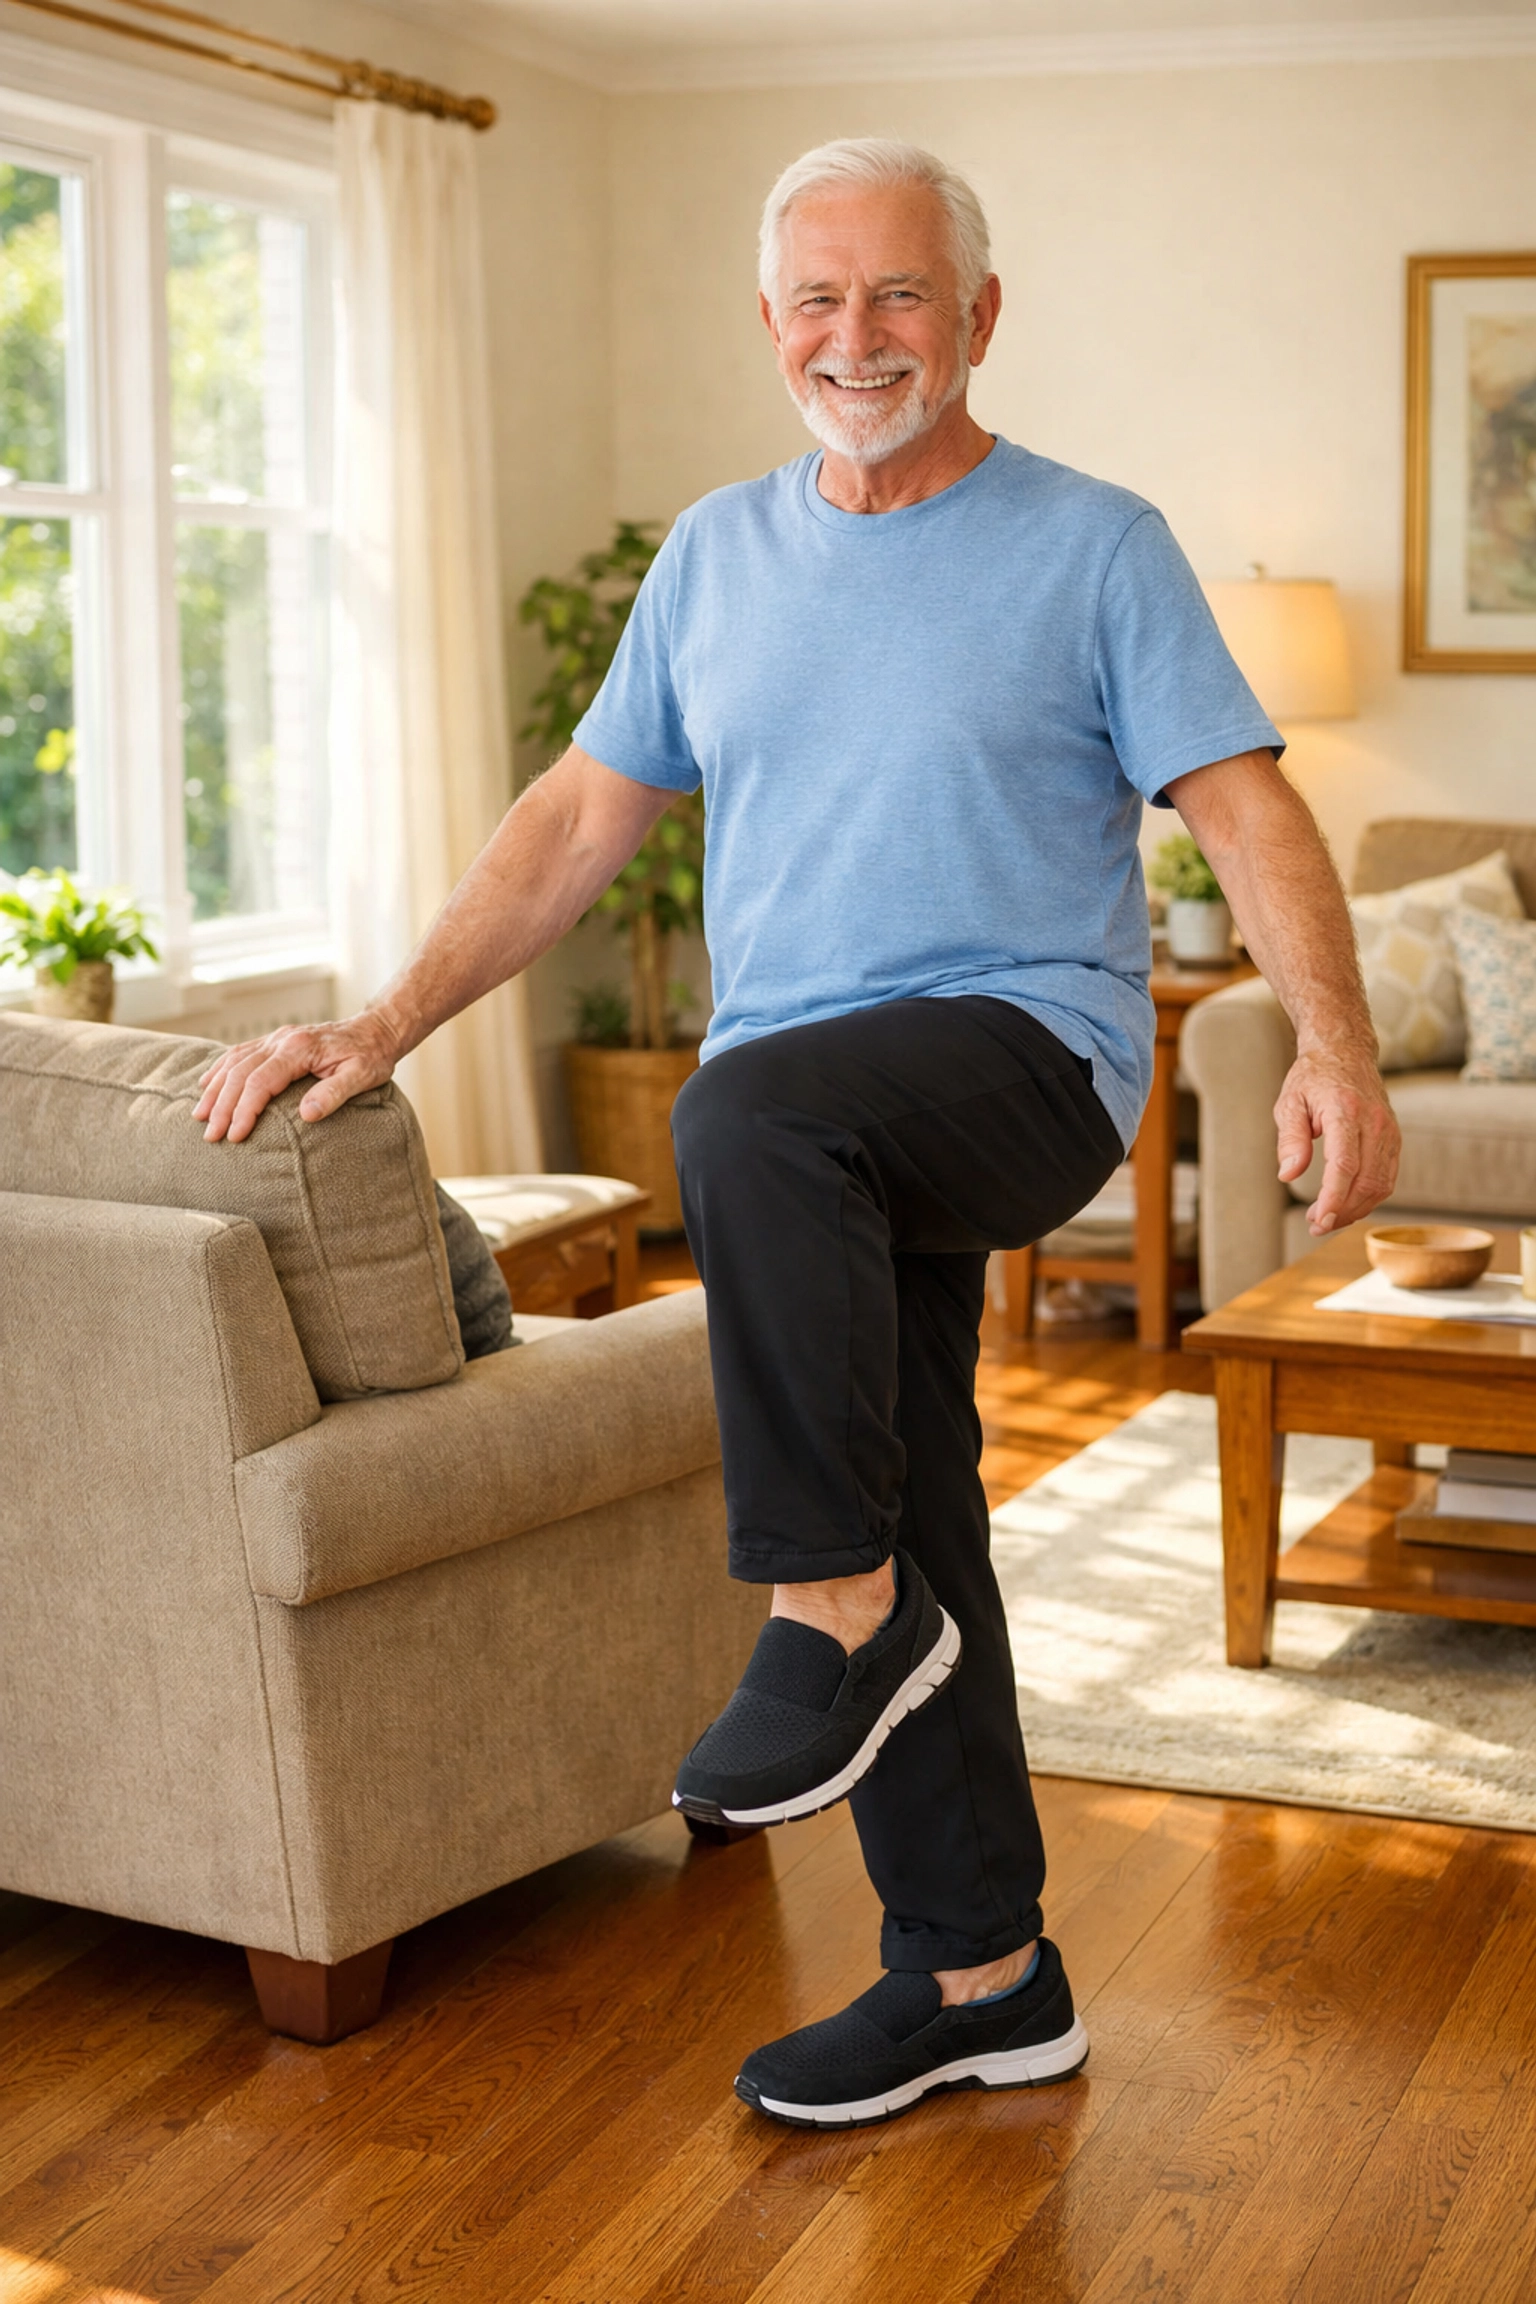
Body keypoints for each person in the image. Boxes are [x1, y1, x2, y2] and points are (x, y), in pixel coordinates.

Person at [195, 138, 1400, 2130]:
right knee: (916, 1497)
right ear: (770, 324)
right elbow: (575, 824)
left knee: (747, 1121)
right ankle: (983, 1974)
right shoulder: (714, 557)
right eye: (819, 300)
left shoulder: (1095, 545)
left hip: (1025, 1059)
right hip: (812, 1142)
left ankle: (830, 1613)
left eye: (901, 293)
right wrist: (386, 1024)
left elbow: (1246, 806)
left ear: (979, 315)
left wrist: (1334, 1050)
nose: (860, 336)